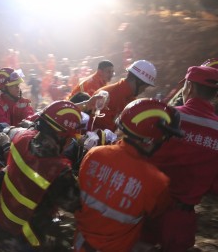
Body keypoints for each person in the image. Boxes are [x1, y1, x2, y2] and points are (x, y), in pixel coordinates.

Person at [74, 98, 184, 252]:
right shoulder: (157, 182)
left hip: (81, 245)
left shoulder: (94, 154)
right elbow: (157, 214)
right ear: (152, 140)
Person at [0, 100, 84, 251]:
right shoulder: (58, 170)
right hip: (23, 237)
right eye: (70, 138)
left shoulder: (22, 138)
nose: (69, 143)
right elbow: (77, 205)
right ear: (62, 136)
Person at [142, 66, 218, 252]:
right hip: (181, 220)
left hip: (147, 209)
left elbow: (138, 155)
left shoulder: (167, 117)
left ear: (189, 87)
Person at [91, 60, 157, 131]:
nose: (143, 90)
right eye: (144, 87)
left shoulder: (130, 99)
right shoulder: (106, 95)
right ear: (139, 82)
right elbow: (100, 130)